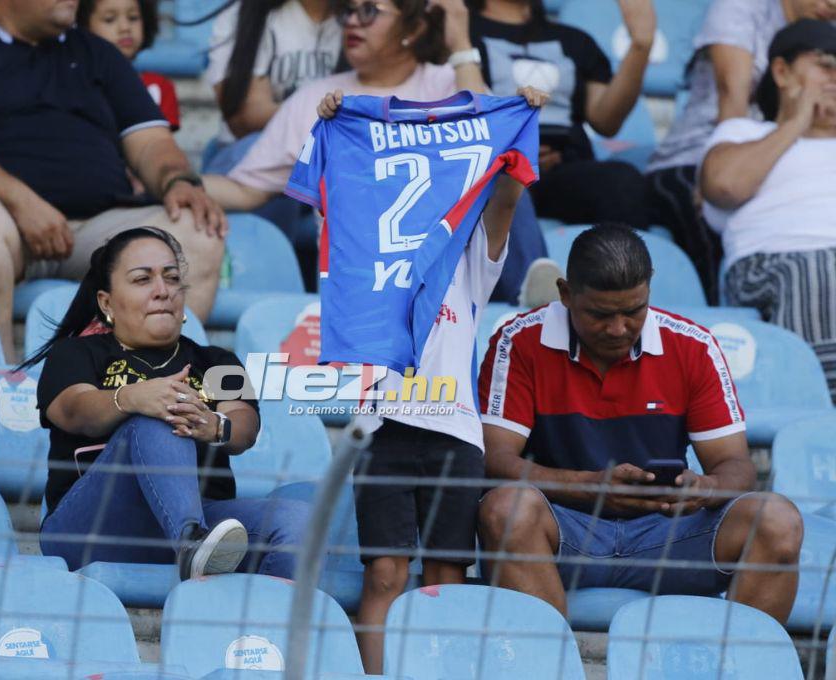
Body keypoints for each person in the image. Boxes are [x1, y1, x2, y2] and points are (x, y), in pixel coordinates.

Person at [307, 81, 547, 672]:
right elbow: (345, 196)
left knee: (446, 577)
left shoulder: (472, 264)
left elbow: (508, 197)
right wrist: (338, 119)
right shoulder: (370, 255)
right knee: (385, 575)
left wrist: (521, 119)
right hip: (380, 428)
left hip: (454, 434)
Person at [476, 224, 803, 624]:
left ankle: (740, 667)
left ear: (649, 292)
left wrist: (705, 488)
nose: (618, 329)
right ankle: (552, 665)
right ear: (565, 294)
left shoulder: (692, 346)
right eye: (600, 314)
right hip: (567, 529)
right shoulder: (520, 340)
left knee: (777, 519)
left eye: (633, 311)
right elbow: (495, 460)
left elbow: (736, 466)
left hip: (671, 532)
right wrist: (587, 487)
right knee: (505, 509)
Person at [0, 0, 226, 360]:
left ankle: (148, 381)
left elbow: (151, 143)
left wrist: (177, 180)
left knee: (197, 230)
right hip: (0, 226)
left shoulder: (97, 52)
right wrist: (24, 204)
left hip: (97, 227)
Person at [204, 0, 552, 305]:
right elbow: (246, 188)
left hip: (448, 267)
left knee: (506, 171)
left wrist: (460, 43)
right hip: (362, 280)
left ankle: (530, 297)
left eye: (369, 10)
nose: (353, 21)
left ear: (413, 28)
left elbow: (491, 146)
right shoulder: (318, 100)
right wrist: (175, 182)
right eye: (348, 11)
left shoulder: (448, 83)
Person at [28, 227, 310, 580]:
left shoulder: (218, 360)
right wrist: (133, 398)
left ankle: (263, 629)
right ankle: (189, 542)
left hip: (207, 524)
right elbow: (73, 409)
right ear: (106, 302)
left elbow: (245, 425)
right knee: (156, 415)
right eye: (142, 279)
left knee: (296, 523)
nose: (162, 290)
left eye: (171, 277)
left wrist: (214, 425)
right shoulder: (74, 353)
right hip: (93, 528)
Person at [646, 0, 836, 304]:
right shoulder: (741, 6)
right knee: (709, 222)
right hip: (698, 152)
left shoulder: (828, 28)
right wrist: (719, 163)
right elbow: (732, 95)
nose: (832, 5)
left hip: (776, 152)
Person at [701, 19, 836, 398]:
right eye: (826, 66)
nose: (835, 78)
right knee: (819, 269)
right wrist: (796, 123)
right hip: (773, 268)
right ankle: (821, 419)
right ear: (781, 71)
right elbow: (724, 186)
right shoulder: (744, 133)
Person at [468, 0, 654, 230]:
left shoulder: (576, 41)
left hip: (563, 169)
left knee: (621, 182)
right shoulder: (459, 34)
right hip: (492, 170)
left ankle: (624, 266)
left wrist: (640, 45)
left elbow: (606, 121)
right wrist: (516, 150)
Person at [204, 0, 340, 170]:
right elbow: (245, 118)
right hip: (248, 152)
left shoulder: (360, 15)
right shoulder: (246, 13)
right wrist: (328, 111)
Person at [77, 0, 180, 130]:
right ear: (83, 27)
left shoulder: (159, 87)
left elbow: (161, 144)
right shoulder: (75, 86)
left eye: (133, 18)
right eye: (110, 19)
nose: (125, 27)